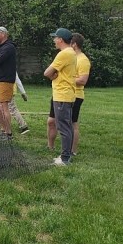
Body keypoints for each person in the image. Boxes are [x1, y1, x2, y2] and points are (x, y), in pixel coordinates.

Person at [49, 33, 90, 155]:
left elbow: (83, 80)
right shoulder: (67, 57)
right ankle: (50, 147)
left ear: (74, 45)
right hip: (60, 93)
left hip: (75, 95)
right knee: (51, 121)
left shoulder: (83, 60)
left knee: (72, 124)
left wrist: (66, 79)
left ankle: (72, 151)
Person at [44, 28, 78, 166]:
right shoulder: (71, 53)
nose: (54, 40)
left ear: (61, 39)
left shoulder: (64, 54)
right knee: (67, 126)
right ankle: (66, 155)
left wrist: (52, 75)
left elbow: (47, 73)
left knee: (64, 127)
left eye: (55, 38)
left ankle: (65, 159)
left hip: (62, 95)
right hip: (66, 94)